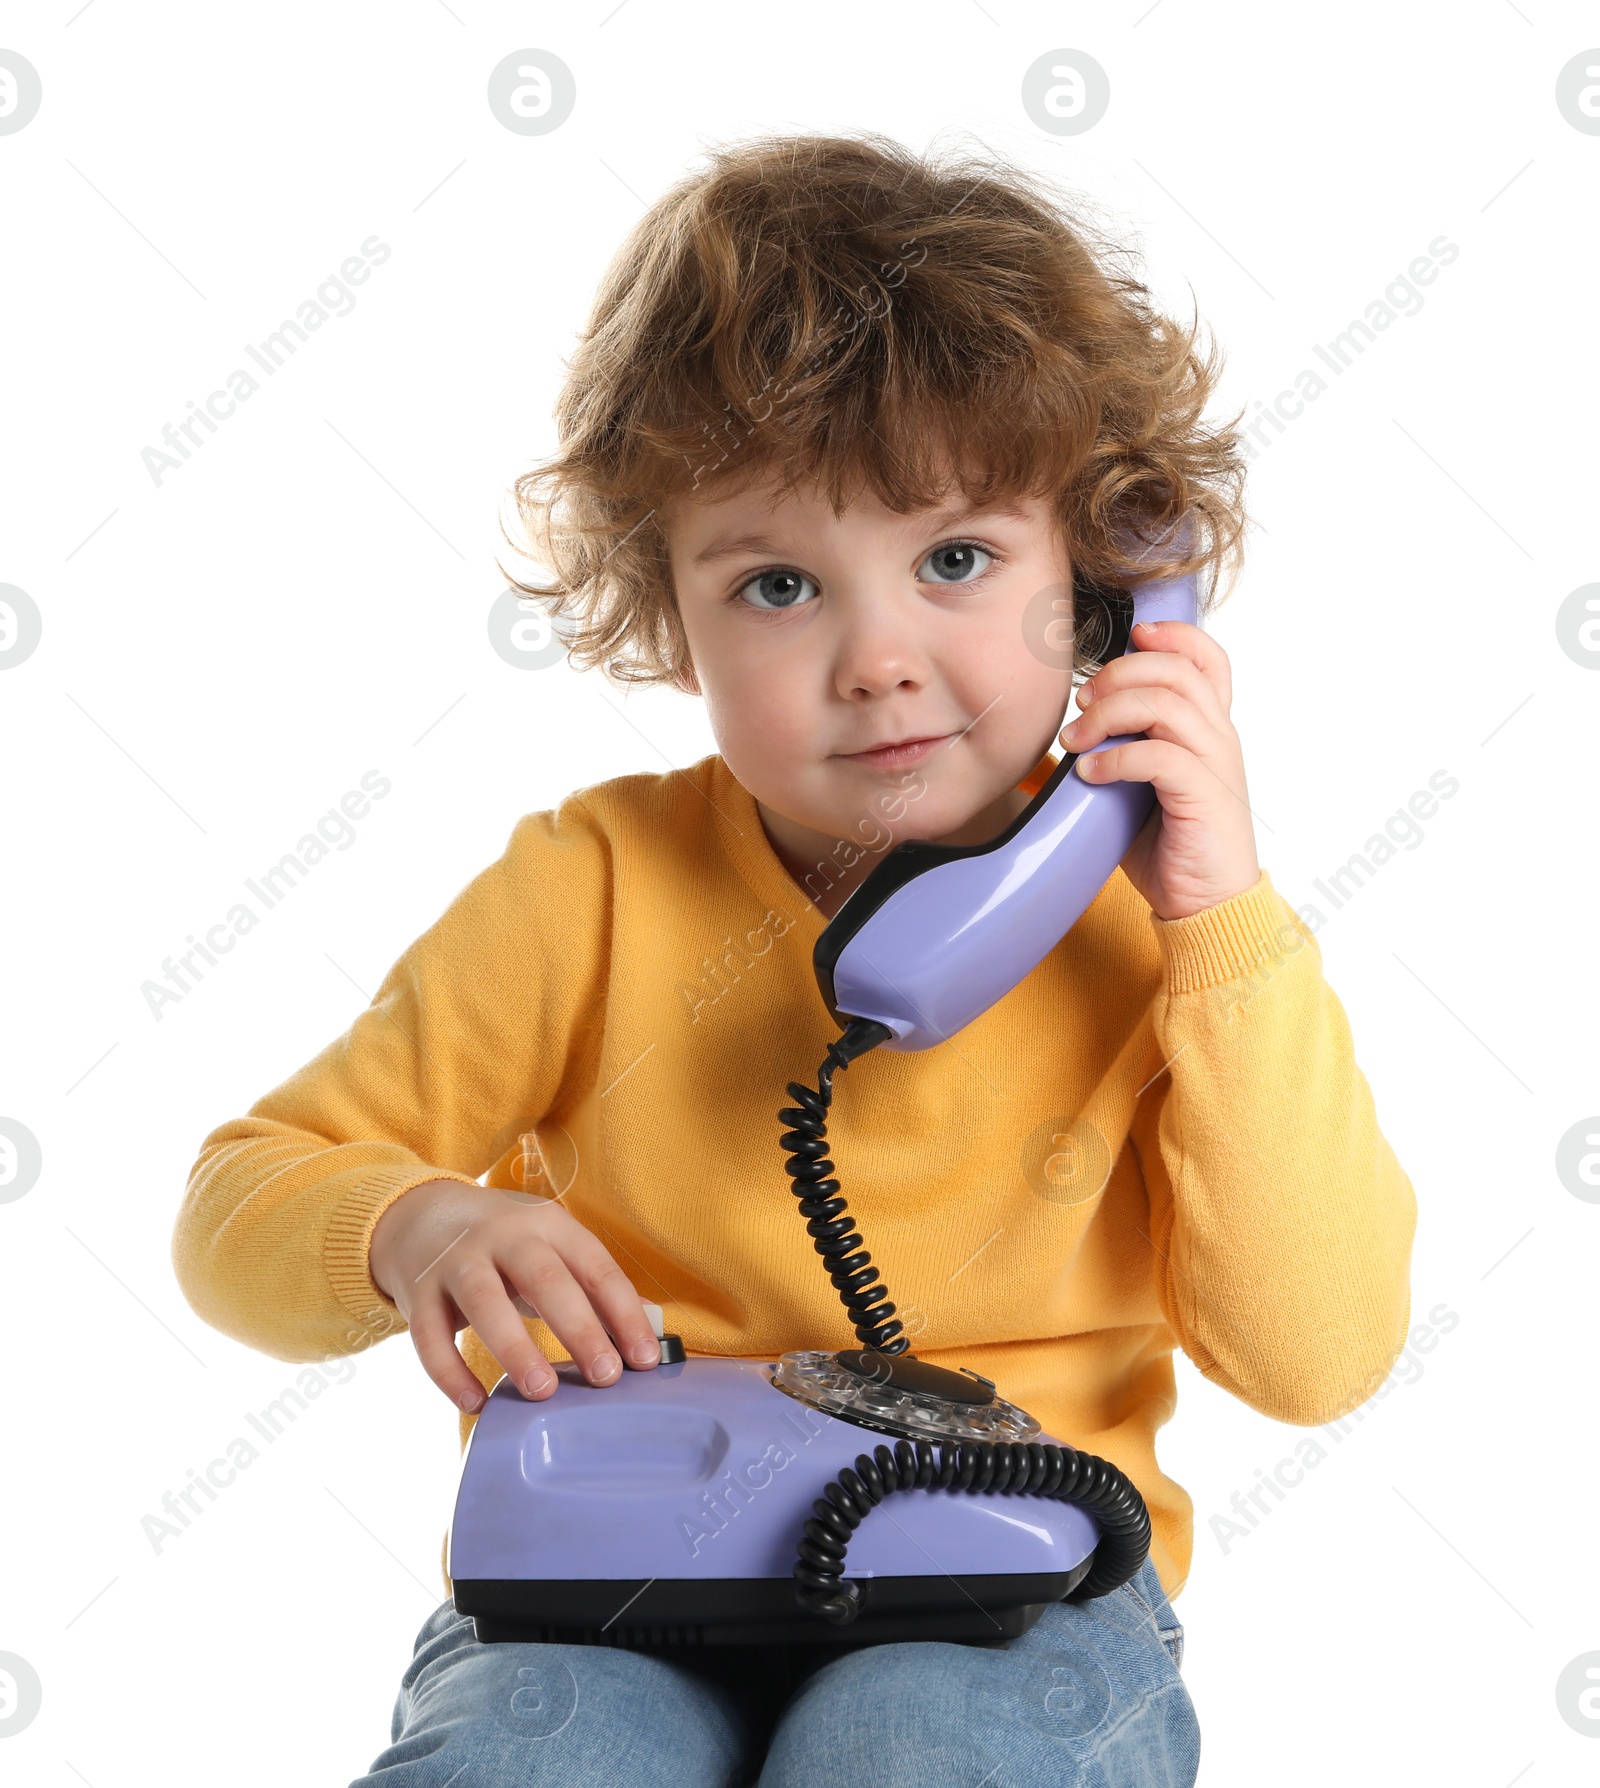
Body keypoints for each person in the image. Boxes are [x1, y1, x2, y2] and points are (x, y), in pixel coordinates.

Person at [172, 129, 1416, 1787]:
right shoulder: (591, 888)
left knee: (909, 1751)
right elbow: (237, 1202)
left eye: (958, 559)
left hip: (1018, 1578)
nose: (880, 663)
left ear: (1113, 583)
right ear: (665, 612)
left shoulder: (1161, 934)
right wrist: (415, 1222)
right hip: (613, 1582)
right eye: (776, 584)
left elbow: (1318, 1354)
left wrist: (1218, 921)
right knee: (529, 1764)